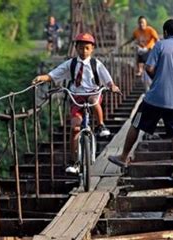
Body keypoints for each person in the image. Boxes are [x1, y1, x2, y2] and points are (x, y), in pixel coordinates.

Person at [108, 19, 173, 179]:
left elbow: (148, 67)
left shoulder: (160, 45)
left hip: (154, 98)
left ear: (166, 32)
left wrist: (157, 78)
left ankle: (124, 157)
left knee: (136, 123)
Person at [32, 33, 121, 174]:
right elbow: (55, 74)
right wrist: (42, 78)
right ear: (76, 48)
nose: (83, 51)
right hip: (76, 97)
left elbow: (108, 79)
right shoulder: (71, 64)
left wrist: (112, 86)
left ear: (92, 49)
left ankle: (100, 125)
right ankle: (74, 162)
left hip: (92, 93)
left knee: (93, 100)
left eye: (87, 48)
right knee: (74, 128)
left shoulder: (96, 64)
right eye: (80, 48)